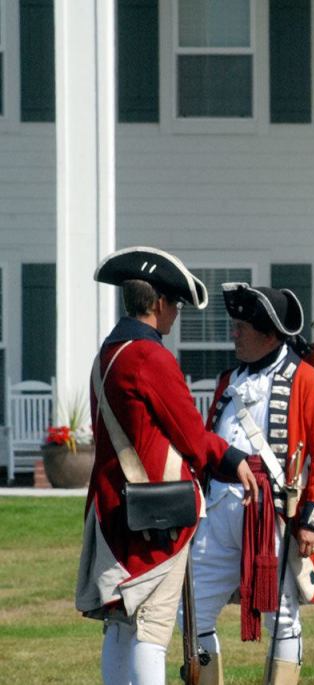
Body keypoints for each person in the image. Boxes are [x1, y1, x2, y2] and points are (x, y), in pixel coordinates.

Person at [76, 246, 259, 685]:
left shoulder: (110, 351)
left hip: (114, 507)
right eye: (174, 303)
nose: (176, 313)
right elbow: (192, 436)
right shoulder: (149, 356)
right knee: (153, 629)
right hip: (154, 516)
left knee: (122, 623)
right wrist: (232, 460)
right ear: (158, 303)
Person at [188, 283, 314, 685]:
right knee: (194, 612)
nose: (233, 333)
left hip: (271, 518)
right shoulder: (228, 382)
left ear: (270, 333)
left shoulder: (310, 383)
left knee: (282, 618)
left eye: (242, 326)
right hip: (218, 512)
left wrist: (313, 519)